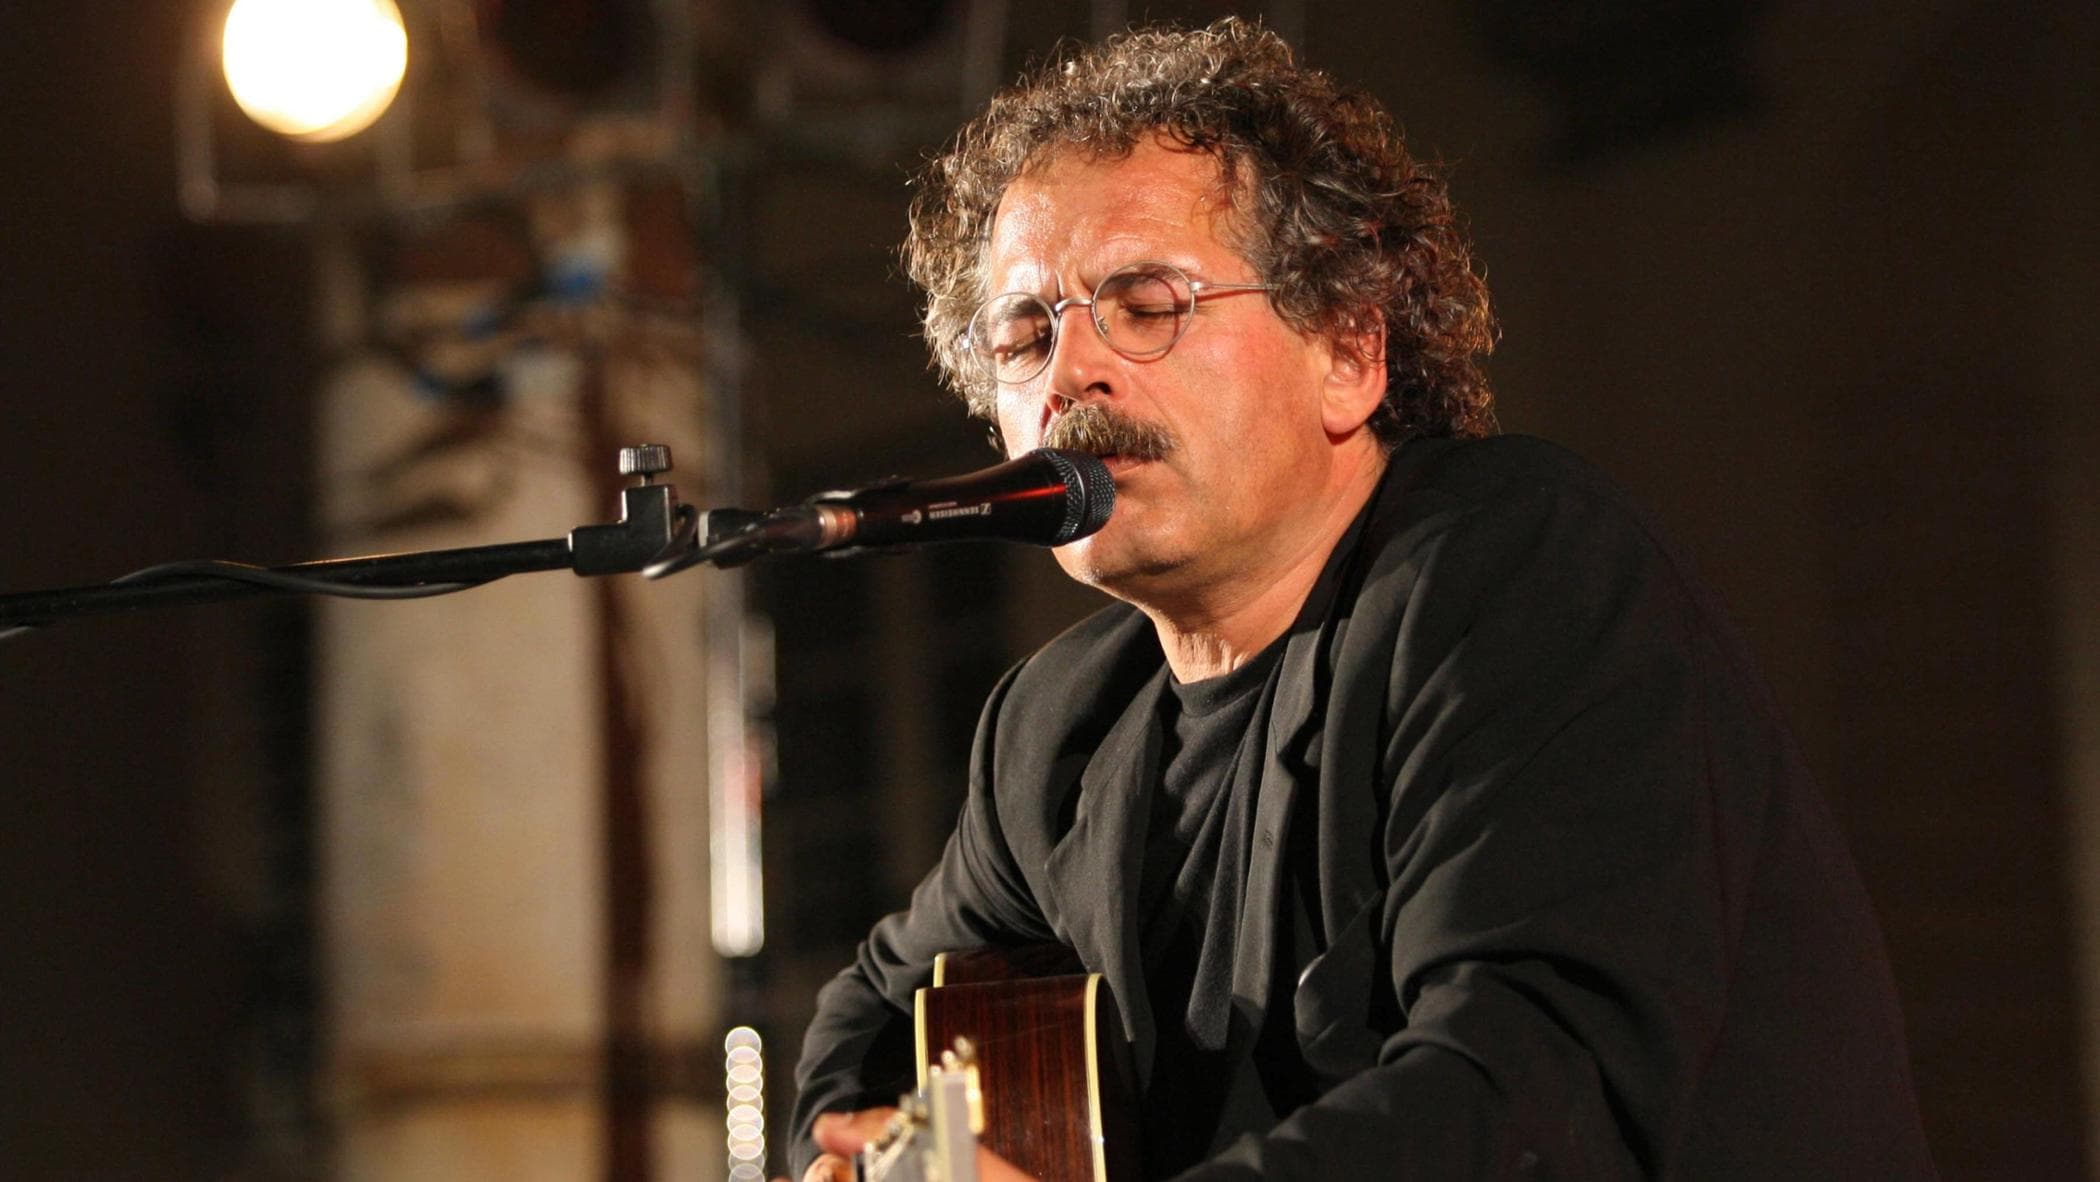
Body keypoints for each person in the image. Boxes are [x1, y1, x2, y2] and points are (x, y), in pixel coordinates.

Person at [790, 18, 1935, 1181]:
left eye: (1147, 304)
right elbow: (866, 1035)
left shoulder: (1515, 570)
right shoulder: (1057, 730)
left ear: (1348, 351)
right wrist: (868, 1160)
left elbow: (1524, 1098)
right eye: (1024, 336)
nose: (1071, 373)